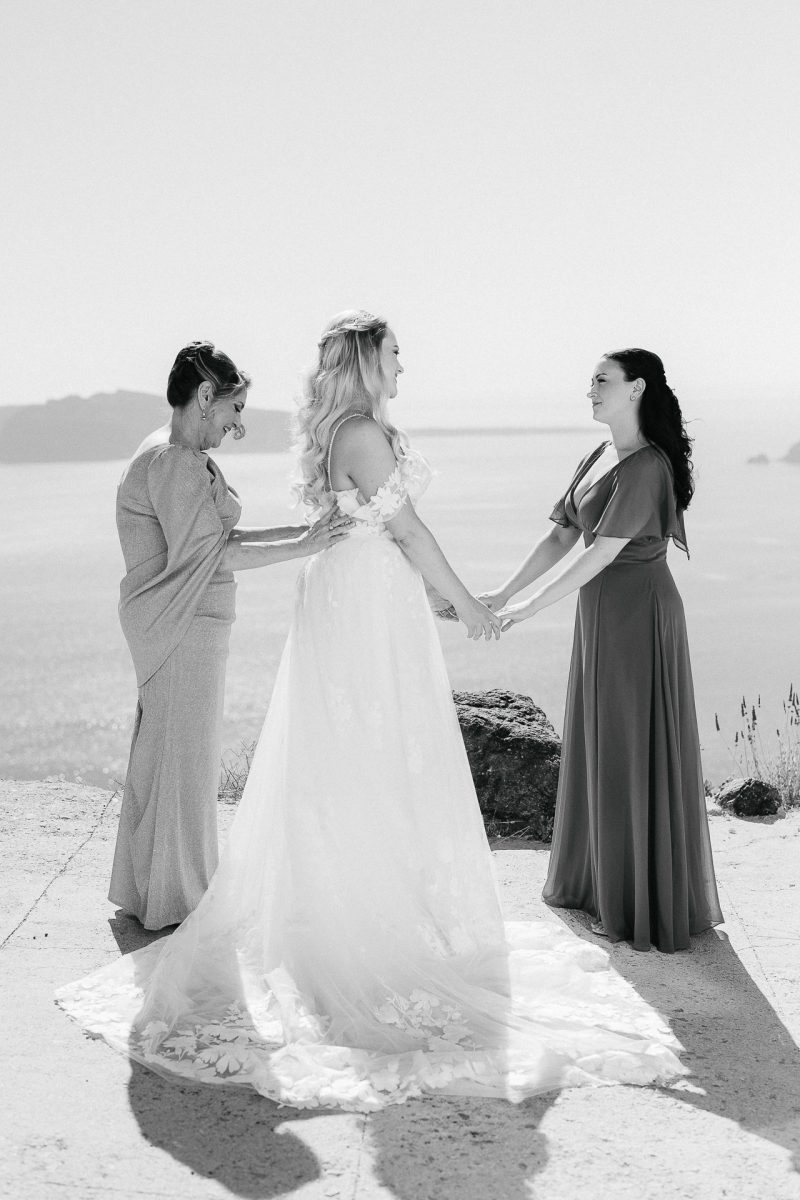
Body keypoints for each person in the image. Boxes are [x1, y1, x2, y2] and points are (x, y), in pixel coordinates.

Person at [57, 318, 686, 1110]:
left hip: (361, 593)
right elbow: (408, 529)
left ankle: (368, 907)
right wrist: (470, 605)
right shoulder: (357, 432)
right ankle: (366, 930)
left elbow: (381, 533)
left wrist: (442, 597)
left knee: (365, 759)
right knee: (372, 756)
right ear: (367, 363)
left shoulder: (358, 430)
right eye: (394, 352)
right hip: (362, 606)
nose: (404, 362)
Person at [482, 349, 723, 953]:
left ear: (636, 388)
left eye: (601, 380)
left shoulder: (646, 467)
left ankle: (634, 901)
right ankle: (600, 885)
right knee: (601, 743)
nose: (589, 389)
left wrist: (529, 609)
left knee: (626, 747)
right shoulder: (599, 456)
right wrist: (502, 591)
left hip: (638, 616)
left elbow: (601, 552)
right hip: (602, 616)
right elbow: (563, 534)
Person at [109, 341, 351, 930]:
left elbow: (212, 543)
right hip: (180, 624)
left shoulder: (172, 454)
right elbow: (213, 557)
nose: (237, 424)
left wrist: (304, 530)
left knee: (166, 757)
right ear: (205, 396)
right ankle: (180, 901)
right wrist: (307, 546)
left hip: (181, 621)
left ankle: (153, 893)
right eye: (233, 410)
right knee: (183, 764)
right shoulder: (175, 462)